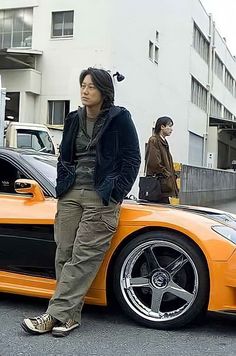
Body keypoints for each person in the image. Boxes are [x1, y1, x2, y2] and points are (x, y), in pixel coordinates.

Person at [21, 67, 141, 337]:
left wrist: (116, 193)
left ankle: (52, 316)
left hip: (101, 195)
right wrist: (62, 187)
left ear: (104, 91)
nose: (85, 91)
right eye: (82, 86)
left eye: (91, 87)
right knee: (64, 254)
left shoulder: (120, 118)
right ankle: (69, 317)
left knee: (83, 257)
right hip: (71, 194)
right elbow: (65, 157)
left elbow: (132, 158)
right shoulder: (73, 118)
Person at [145, 116, 178, 203]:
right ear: (162, 127)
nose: (171, 129)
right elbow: (154, 163)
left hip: (163, 186)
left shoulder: (164, 142)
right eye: (169, 126)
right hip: (157, 185)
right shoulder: (154, 140)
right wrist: (167, 174)